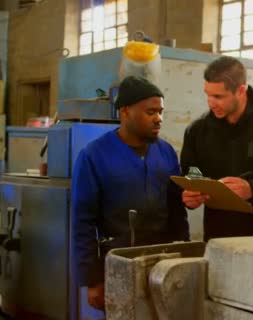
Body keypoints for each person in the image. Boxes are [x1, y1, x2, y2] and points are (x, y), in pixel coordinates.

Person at [71, 76, 189, 310]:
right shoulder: (94, 155)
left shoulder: (165, 152)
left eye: (161, 111)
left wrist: (185, 253)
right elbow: (82, 222)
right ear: (125, 112)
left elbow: (177, 210)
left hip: (163, 262)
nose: (158, 119)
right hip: (118, 262)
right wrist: (92, 279)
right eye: (151, 112)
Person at [180, 56, 253, 241]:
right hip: (217, 237)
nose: (210, 102)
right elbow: (192, 171)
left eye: (218, 96)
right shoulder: (197, 130)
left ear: (241, 91)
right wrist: (192, 192)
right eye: (207, 94)